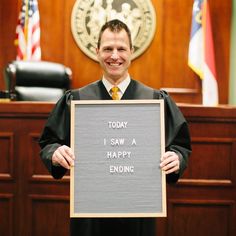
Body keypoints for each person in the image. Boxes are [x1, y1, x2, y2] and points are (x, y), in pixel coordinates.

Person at [39, 19, 191, 236]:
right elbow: (48, 143)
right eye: (108, 49)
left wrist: (177, 158)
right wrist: (55, 153)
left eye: (121, 49)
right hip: (90, 215)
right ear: (97, 51)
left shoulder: (155, 100)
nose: (114, 56)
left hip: (138, 213)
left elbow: (180, 145)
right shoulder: (77, 100)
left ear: (132, 52)